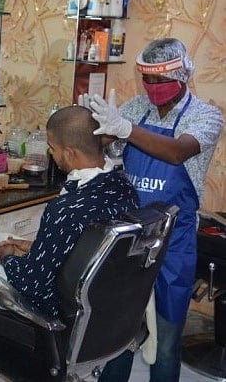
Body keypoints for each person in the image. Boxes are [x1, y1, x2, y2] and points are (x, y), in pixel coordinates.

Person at [0, 106, 140, 355]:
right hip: (89, 290)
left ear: (70, 152)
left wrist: (9, 258)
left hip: (50, 304)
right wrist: (36, 248)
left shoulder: (65, 209)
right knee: (0, 239)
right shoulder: (123, 187)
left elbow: (32, 285)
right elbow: (87, 243)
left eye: (52, 148)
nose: (51, 154)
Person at [84, 38, 224, 382]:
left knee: (166, 340)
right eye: (148, 80)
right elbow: (109, 150)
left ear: (183, 75)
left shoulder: (205, 116)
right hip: (130, 238)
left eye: (161, 80)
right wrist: (99, 131)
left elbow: (177, 152)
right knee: (117, 335)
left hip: (173, 243)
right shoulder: (135, 108)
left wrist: (126, 129)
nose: (153, 87)